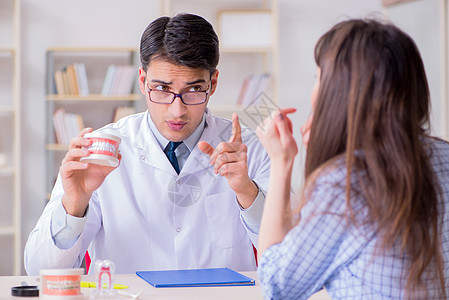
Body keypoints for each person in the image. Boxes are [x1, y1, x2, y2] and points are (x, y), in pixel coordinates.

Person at [25, 13, 270, 275]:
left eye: (194, 90)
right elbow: (41, 271)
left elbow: (288, 261)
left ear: (213, 83)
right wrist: (74, 204)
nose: (177, 111)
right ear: (142, 81)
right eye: (162, 89)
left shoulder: (252, 150)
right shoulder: (98, 151)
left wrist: (247, 193)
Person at [256, 19, 448, 299]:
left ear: (338, 94)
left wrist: (280, 162)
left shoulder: (345, 182)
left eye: (317, 78)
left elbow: (277, 287)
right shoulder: (443, 156)